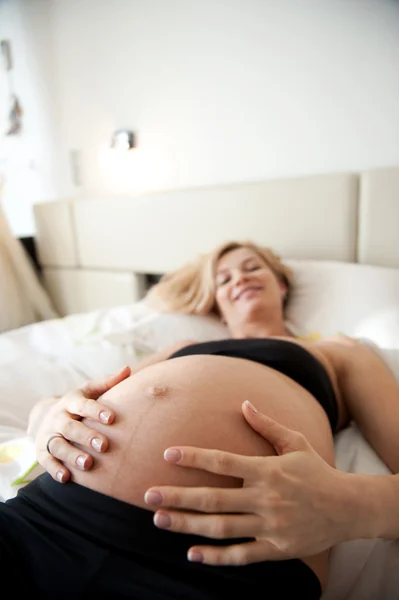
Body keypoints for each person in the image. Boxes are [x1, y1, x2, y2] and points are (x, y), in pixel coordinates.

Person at [3, 241, 399, 599]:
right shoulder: (183, 346)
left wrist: (353, 505)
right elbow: (63, 407)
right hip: (54, 513)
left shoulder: (341, 351)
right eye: (224, 279)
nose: (239, 279)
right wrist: (49, 415)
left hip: (220, 562)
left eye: (252, 268)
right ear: (217, 302)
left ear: (280, 286)